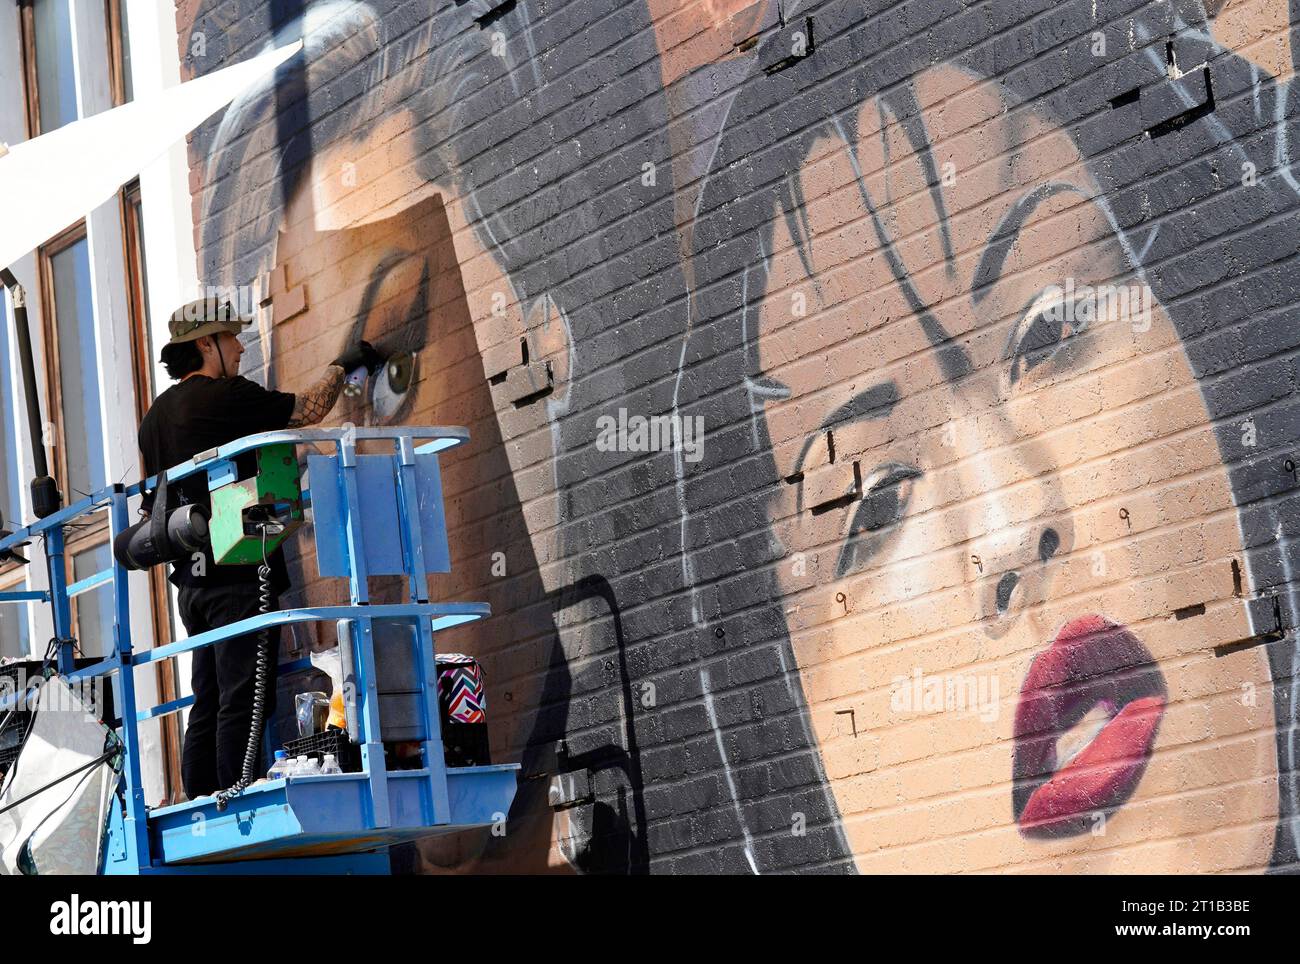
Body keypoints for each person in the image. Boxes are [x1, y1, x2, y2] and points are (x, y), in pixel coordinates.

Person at [138, 297, 380, 799]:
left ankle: (202, 797)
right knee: (243, 697)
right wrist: (345, 363)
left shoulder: (154, 419)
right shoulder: (225, 397)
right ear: (206, 344)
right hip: (238, 574)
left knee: (206, 697)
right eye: (230, 338)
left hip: (193, 583)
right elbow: (309, 409)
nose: (240, 345)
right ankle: (234, 796)